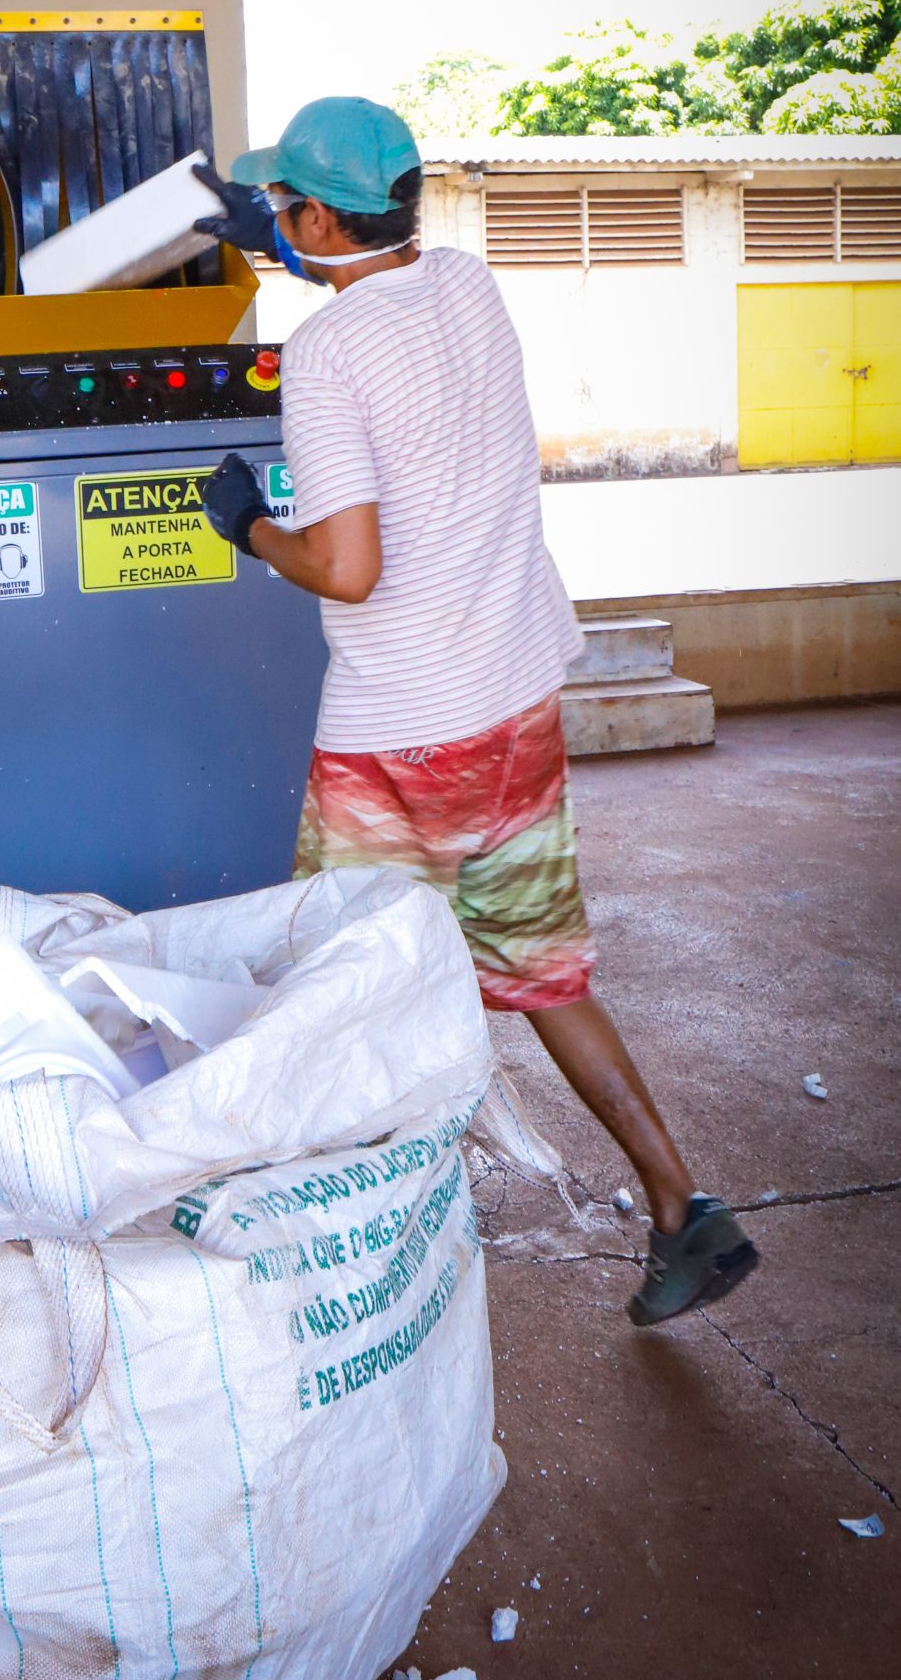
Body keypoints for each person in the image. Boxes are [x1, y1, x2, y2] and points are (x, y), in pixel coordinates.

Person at [192, 101, 756, 1328]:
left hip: (400, 730)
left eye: (289, 208)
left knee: (338, 979)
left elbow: (349, 569)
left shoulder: (328, 357)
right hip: (513, 702)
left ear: (328, 217)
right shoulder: (468, 281)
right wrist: (276, 229)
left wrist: (246, 527)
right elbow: (388, 318)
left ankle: (350, 1268)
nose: (279, 226)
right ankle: (679, 1207)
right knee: (542, 974)